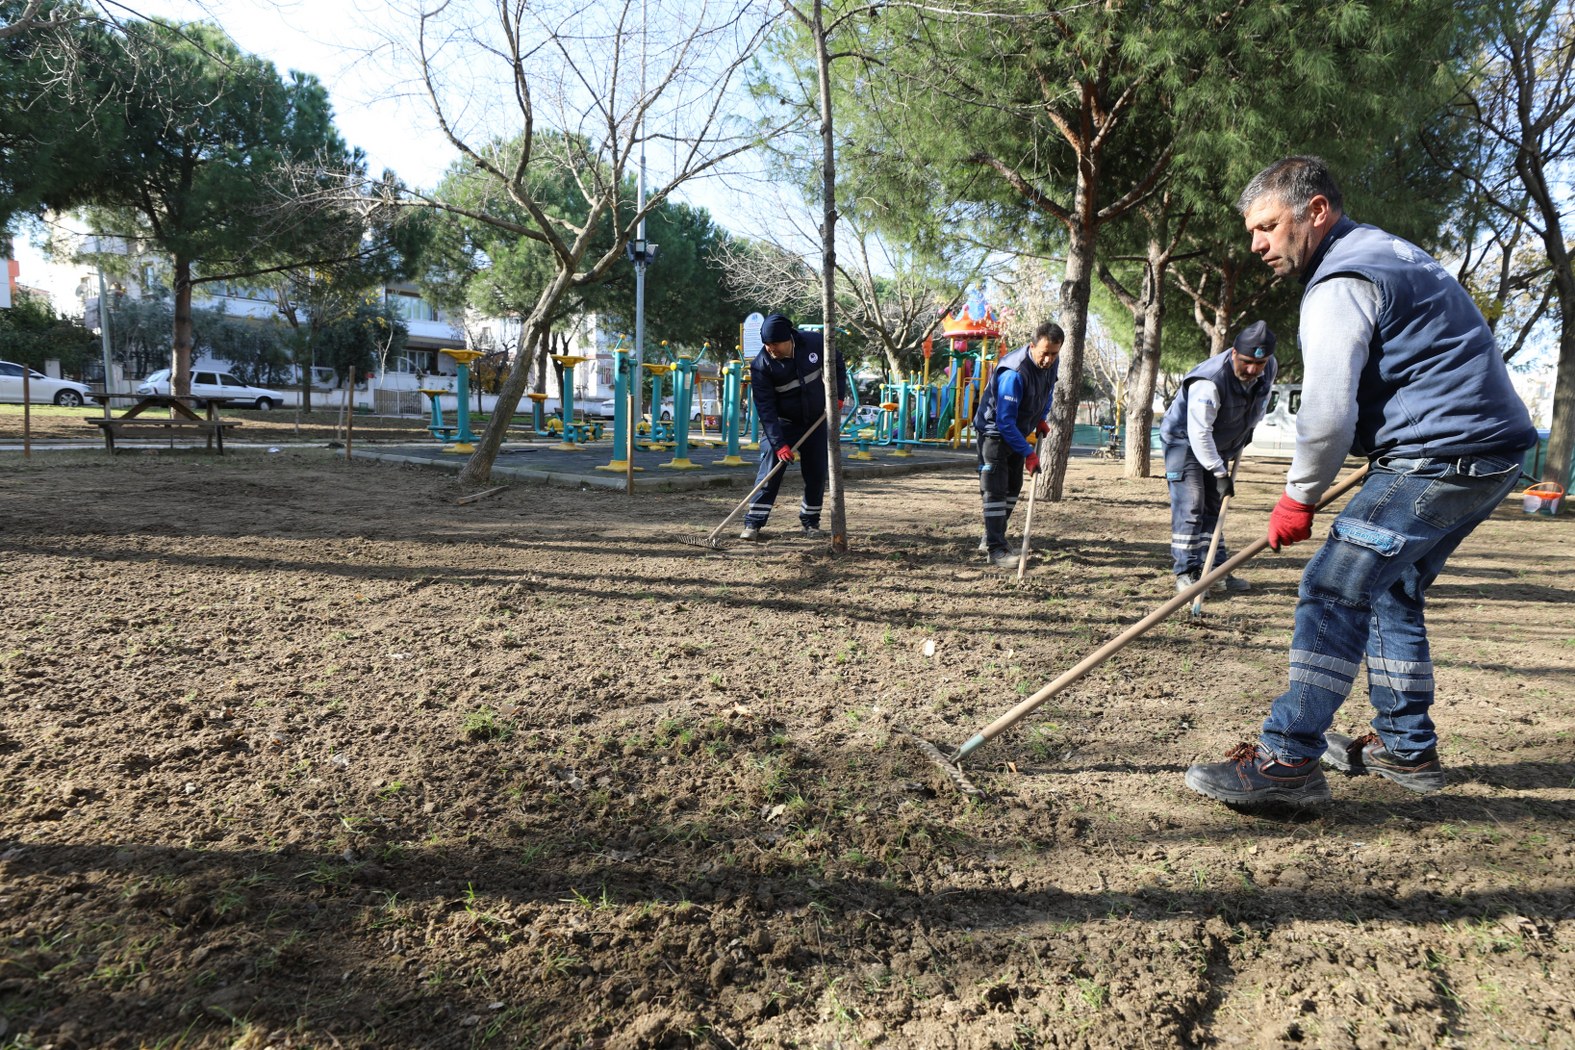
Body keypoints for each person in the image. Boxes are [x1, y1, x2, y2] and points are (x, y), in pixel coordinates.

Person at [1185, 156, 1538, 809]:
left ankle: (1286, 760)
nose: (1254, 244)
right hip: (1491, 452)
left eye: (1265, 226)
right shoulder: (1389, 253)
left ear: (1315, 210)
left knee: (1333, 586)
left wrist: (1298, 495)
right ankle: (1405, 749)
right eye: (1250, 232)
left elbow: (1325, 410)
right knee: (1390, 588)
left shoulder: (1340, 280)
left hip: (1438, 455)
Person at [1158, 320, 1279, 594]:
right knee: (1192, 505)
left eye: (1259, 364)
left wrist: (1249, 430)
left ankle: (1216, 569)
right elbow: (1200, 433)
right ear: (1233, 353)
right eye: (1247, 361)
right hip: (1185, 442)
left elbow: (1262, 400)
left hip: (1221, 444)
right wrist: (1220, 472)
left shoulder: (1268, 367)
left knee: (1214, 506)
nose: (1252, 370)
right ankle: (1187, 572)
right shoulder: (1209, 380)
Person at [740, 313, 849, 540]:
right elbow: (765, 409)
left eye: (775, 344)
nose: (771, 349)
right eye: (767, 345)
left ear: (789, 337)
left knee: (817, 472)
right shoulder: (762, 366)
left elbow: (838, 363)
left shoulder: (816, 343)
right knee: (770, 469)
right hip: (783, 424)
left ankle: (810, 522)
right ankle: (753, 523)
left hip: (816, 422)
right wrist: (779, 444)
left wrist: (838, 394)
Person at [973, 322, 1062, 567]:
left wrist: (1041, 417)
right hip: (995, 433)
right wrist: (1027, 452)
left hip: (1017, 431)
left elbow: (1047, 391)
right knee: (996, 489)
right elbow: (1004, 422)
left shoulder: (1052, 363)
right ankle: (996, 550)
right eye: (1044, 352)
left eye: (1054, 353)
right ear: (1032, 346)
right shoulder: (1014, 372)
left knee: (1013, 486)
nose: (1049, 359)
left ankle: (991, 536)